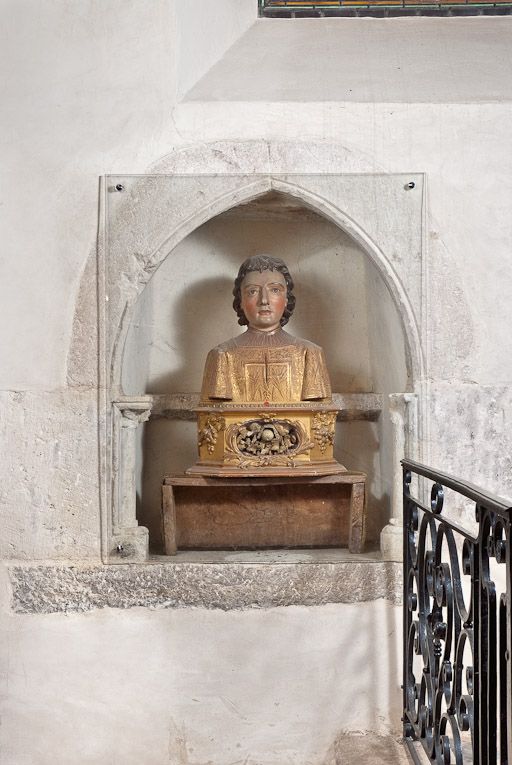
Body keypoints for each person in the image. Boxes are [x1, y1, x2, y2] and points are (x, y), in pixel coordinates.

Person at [200, 255, 332, 404]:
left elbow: (320, 419)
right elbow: (212, 420)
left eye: (275, 290)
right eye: (252, 291)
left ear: (286, 299)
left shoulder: (310, 353)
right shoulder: (222, 355)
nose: (264, 300)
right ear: (241, 301)